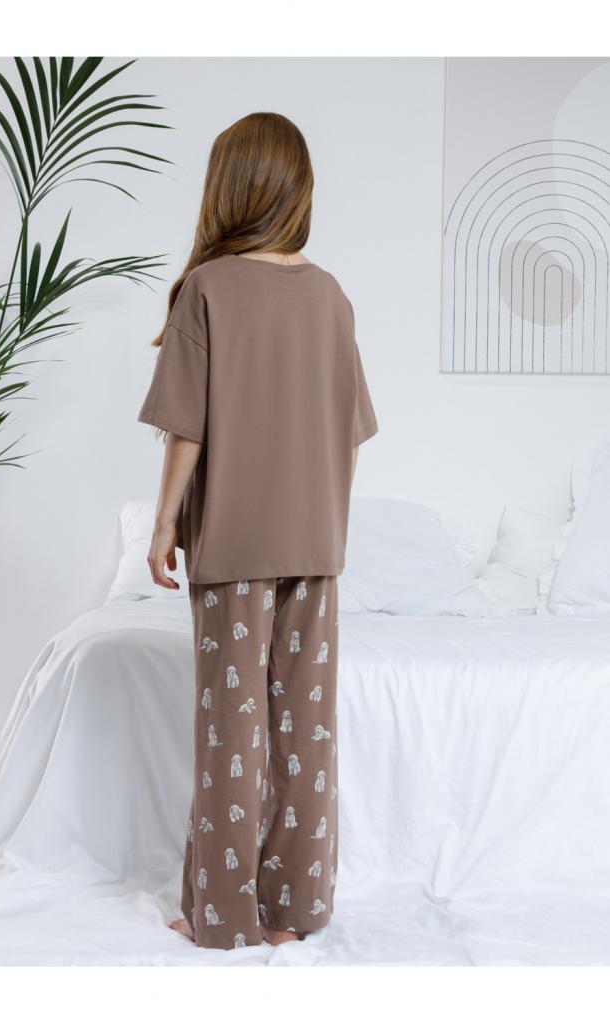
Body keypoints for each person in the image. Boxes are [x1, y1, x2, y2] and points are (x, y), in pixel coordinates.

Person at [138, 111, 377, 950]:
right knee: (306, 735)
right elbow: (349, 429)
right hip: (315, 545)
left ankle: (223, 914)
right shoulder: (330, 295)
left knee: (230, 731)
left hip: (233, 546)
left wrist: (164, 523)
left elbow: (186, 429)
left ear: (227, 188)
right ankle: (296, 912)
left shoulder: (206, 289)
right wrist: (321, 515)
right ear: (297, 190)